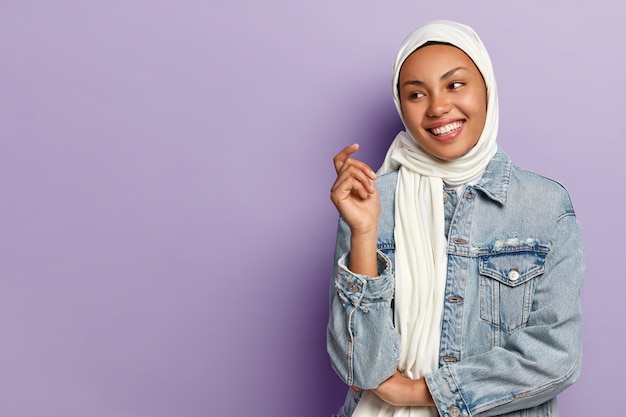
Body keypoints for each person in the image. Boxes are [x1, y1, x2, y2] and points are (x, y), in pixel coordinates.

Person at [327, 20, 585, 417]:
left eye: (455, 85)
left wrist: (420, 392)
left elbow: (555, 355)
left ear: (487, 88)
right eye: (416, 93)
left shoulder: (544, 207)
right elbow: (360, 367)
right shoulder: (375, 200)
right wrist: (363, 230)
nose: (437, 107)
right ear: (402, 106)